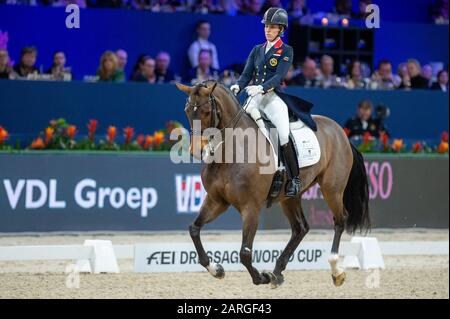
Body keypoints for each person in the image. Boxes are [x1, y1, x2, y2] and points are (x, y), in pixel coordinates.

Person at [230, 7, 316, 197]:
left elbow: (278, 76)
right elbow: (246, 74)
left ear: (281, 30)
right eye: (266, 26)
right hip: (254, 96)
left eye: (272, 27)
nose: (268, 30)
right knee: (236, 125)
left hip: (273, 98)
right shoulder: (256, 50)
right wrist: (238, 85)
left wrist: (261, 88)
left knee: (283, 135)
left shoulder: (286, 51)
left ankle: (293, 178)